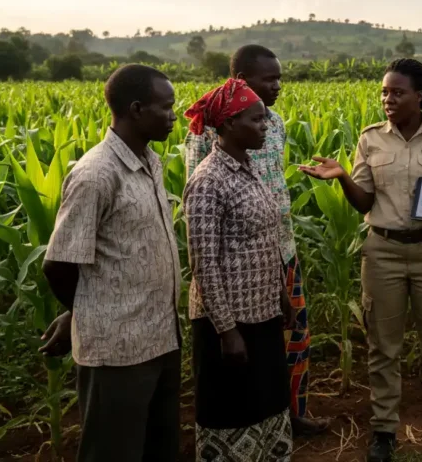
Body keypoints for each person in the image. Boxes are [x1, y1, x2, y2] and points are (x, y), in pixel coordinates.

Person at [300, 58, 422, 462]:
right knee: (383, 348)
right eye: (384, 92)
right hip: (383, 252)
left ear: (420, 96)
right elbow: (364, 200)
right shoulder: (370, 139)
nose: (387, 99)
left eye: (397, 92)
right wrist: (342, 177)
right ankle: (384, 432)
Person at [40, 64, 183, 462]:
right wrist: (84, 311)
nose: (174, 115)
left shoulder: (149, 160)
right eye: (166, 106)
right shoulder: (96, 174)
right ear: (137, 109)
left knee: (159, 447)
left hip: (160, 337)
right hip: (117, 352)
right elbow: (60, 262)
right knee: (113, 451)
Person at [185, 45, 328, 436]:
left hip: (280, 247)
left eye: (279, 78)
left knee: (292, 334)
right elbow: (200, 207)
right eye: (270, 78)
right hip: (235, 258)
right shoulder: (208, 132)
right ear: (242, 82)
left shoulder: (275, 123)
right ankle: (245, 427)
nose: (278, 85)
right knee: (242, 347)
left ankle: (289, 414)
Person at [184, 78, 298, 461]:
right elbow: (203, 264)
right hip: (229, 323)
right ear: (229, 124)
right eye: (256, 120)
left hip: (262, 314)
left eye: (264, 120)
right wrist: (227, 330)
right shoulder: (207, 180)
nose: (265, 126)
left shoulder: (249, 169)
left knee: (267, 403)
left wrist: (280, 294)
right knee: (233, 411)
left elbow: (264, 238)